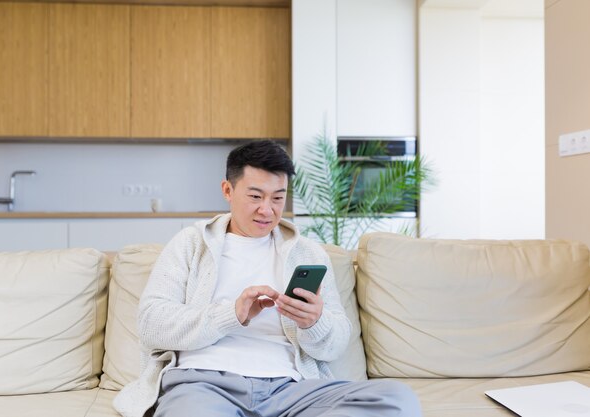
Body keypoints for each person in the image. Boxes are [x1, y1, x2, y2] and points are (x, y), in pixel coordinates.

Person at [113, 140, 421, 417]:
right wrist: (231, 315)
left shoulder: (308, 254)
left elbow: (336, 343)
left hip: (290, 390)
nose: (267, 210)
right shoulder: (190, 244)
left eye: (278, 197)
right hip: (204, 384)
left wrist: (314, 323)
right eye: (256, 196)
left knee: (397, 400)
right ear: (227, 191)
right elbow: (151, 324)